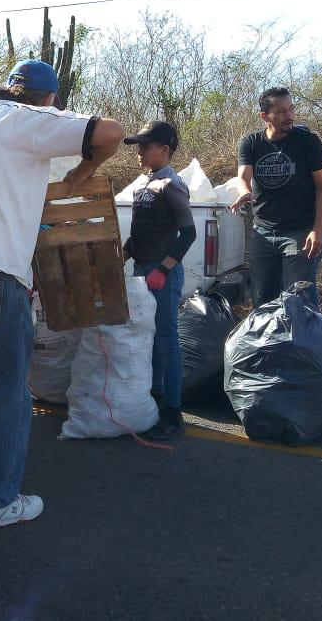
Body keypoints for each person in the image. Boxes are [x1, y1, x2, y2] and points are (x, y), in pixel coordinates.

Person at [0, 59, 124, 530]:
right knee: (10, 394)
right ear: (49, 98)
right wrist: (81, 173)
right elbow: (110, 133)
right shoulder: (31, 120)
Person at [121, 121, 196, 440]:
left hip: (161, 274)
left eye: (145, 146)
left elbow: (188, 233)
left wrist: (163, 270)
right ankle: (153, 400)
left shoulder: (172, 184)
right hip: (142, 270)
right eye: (138, 146)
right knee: (147, 337)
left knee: (166, 337)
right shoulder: (144, 184)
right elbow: (138, 237)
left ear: (164, 150)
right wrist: (119, 259)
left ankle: (173, 412)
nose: (139, 152)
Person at [230, 87, 322, 309]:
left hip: (300, 232)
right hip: (263, 232)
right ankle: (268, 344)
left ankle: (305, 344)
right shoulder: (251, 143)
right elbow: (243, 176)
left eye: (291, 109)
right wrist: (244, 191)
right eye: (281, 111)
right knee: (262, 300)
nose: (289, 116)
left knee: (298, 301)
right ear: (264, 116)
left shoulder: (307, 141)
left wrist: (318, 229)